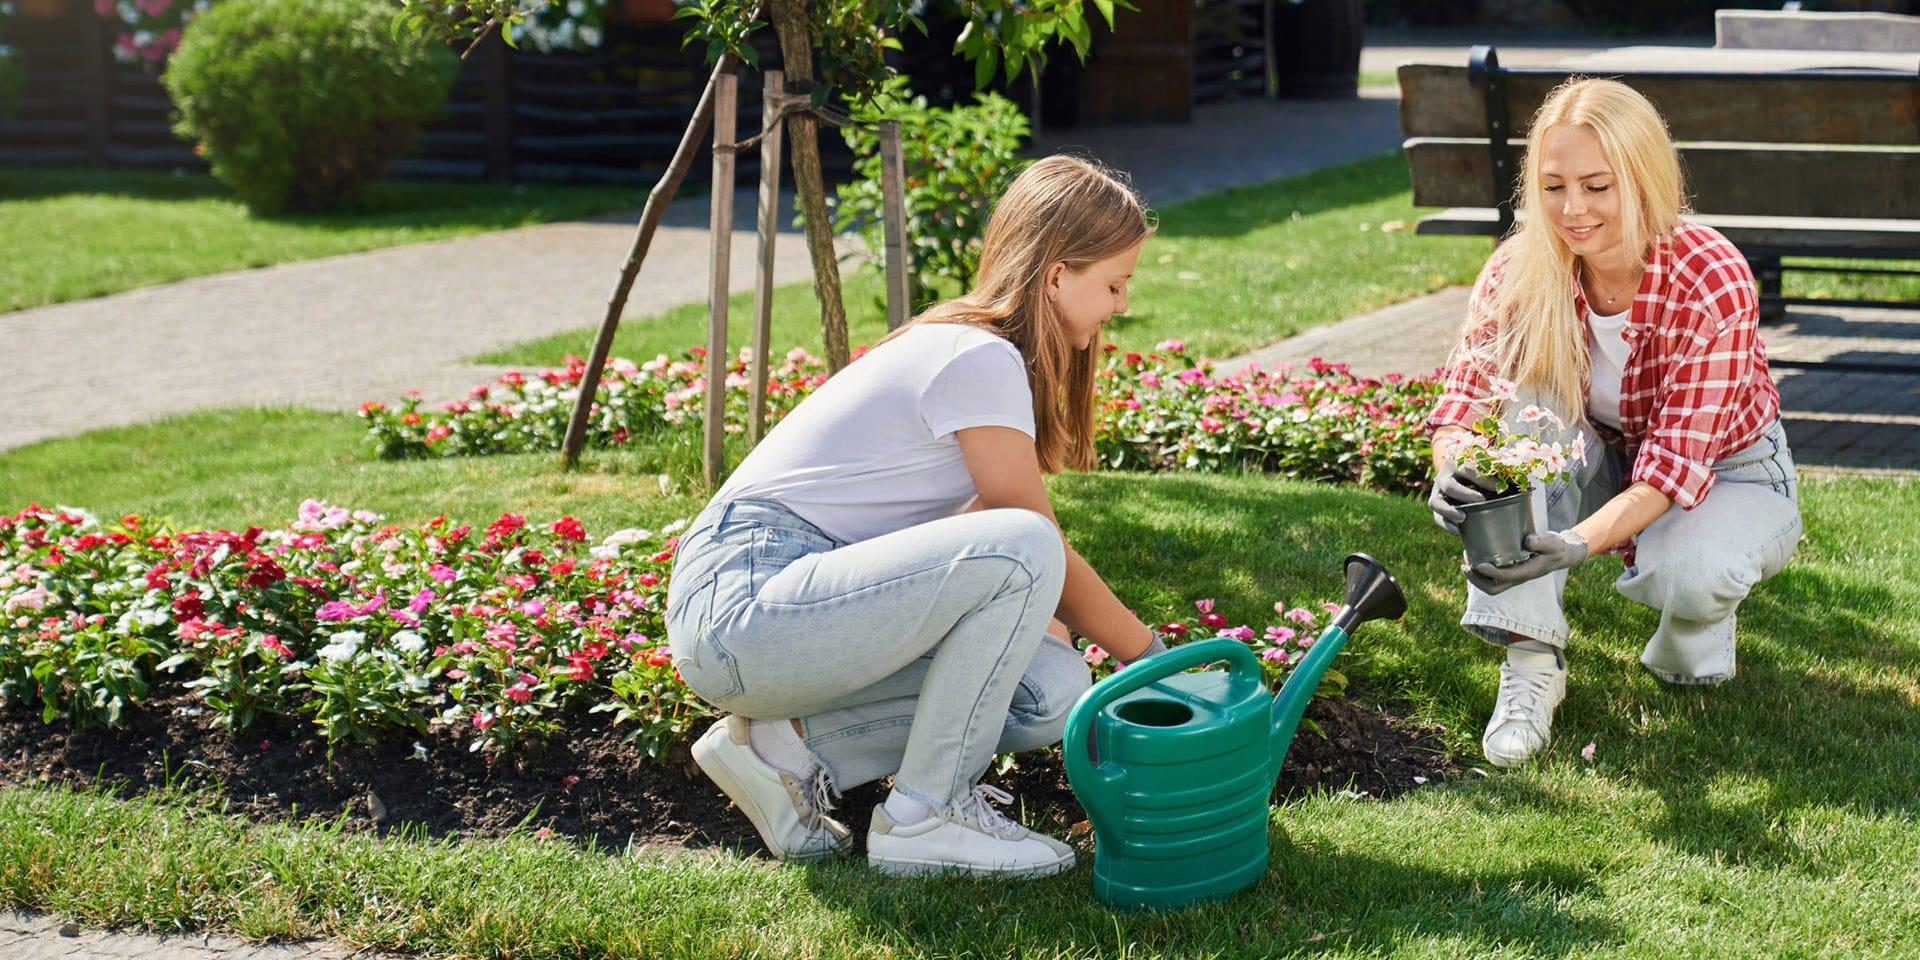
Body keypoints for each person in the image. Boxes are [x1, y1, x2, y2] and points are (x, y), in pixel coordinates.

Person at [664, 154, 1165, 877]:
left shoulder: (984, 364)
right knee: (1028, 544)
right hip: (746, 597)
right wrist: (1151, 661)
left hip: (780, 616)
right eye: (1114, 284)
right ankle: (928, 814)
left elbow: (982, 568)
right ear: (1057, 275)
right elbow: (1031, 542)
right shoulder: (979, 357)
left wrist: (1056, 640)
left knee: (1050, 689)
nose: (1120, 305)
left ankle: (780, 750)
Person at [1425, 78, 1803, 768]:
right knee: (1522, 422)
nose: (1573, 211)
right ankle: (1532, 663)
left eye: (1598, 187)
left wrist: (1574, 542)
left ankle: (1694, 622)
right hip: (1595, 453)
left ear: (1645, 178)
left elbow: (1669, 467)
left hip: (1728, 472)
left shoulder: (1709, 274)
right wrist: (1453, 466)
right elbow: (1465, 400)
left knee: (1693, 574)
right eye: (1554, 186)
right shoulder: (1519, 265)